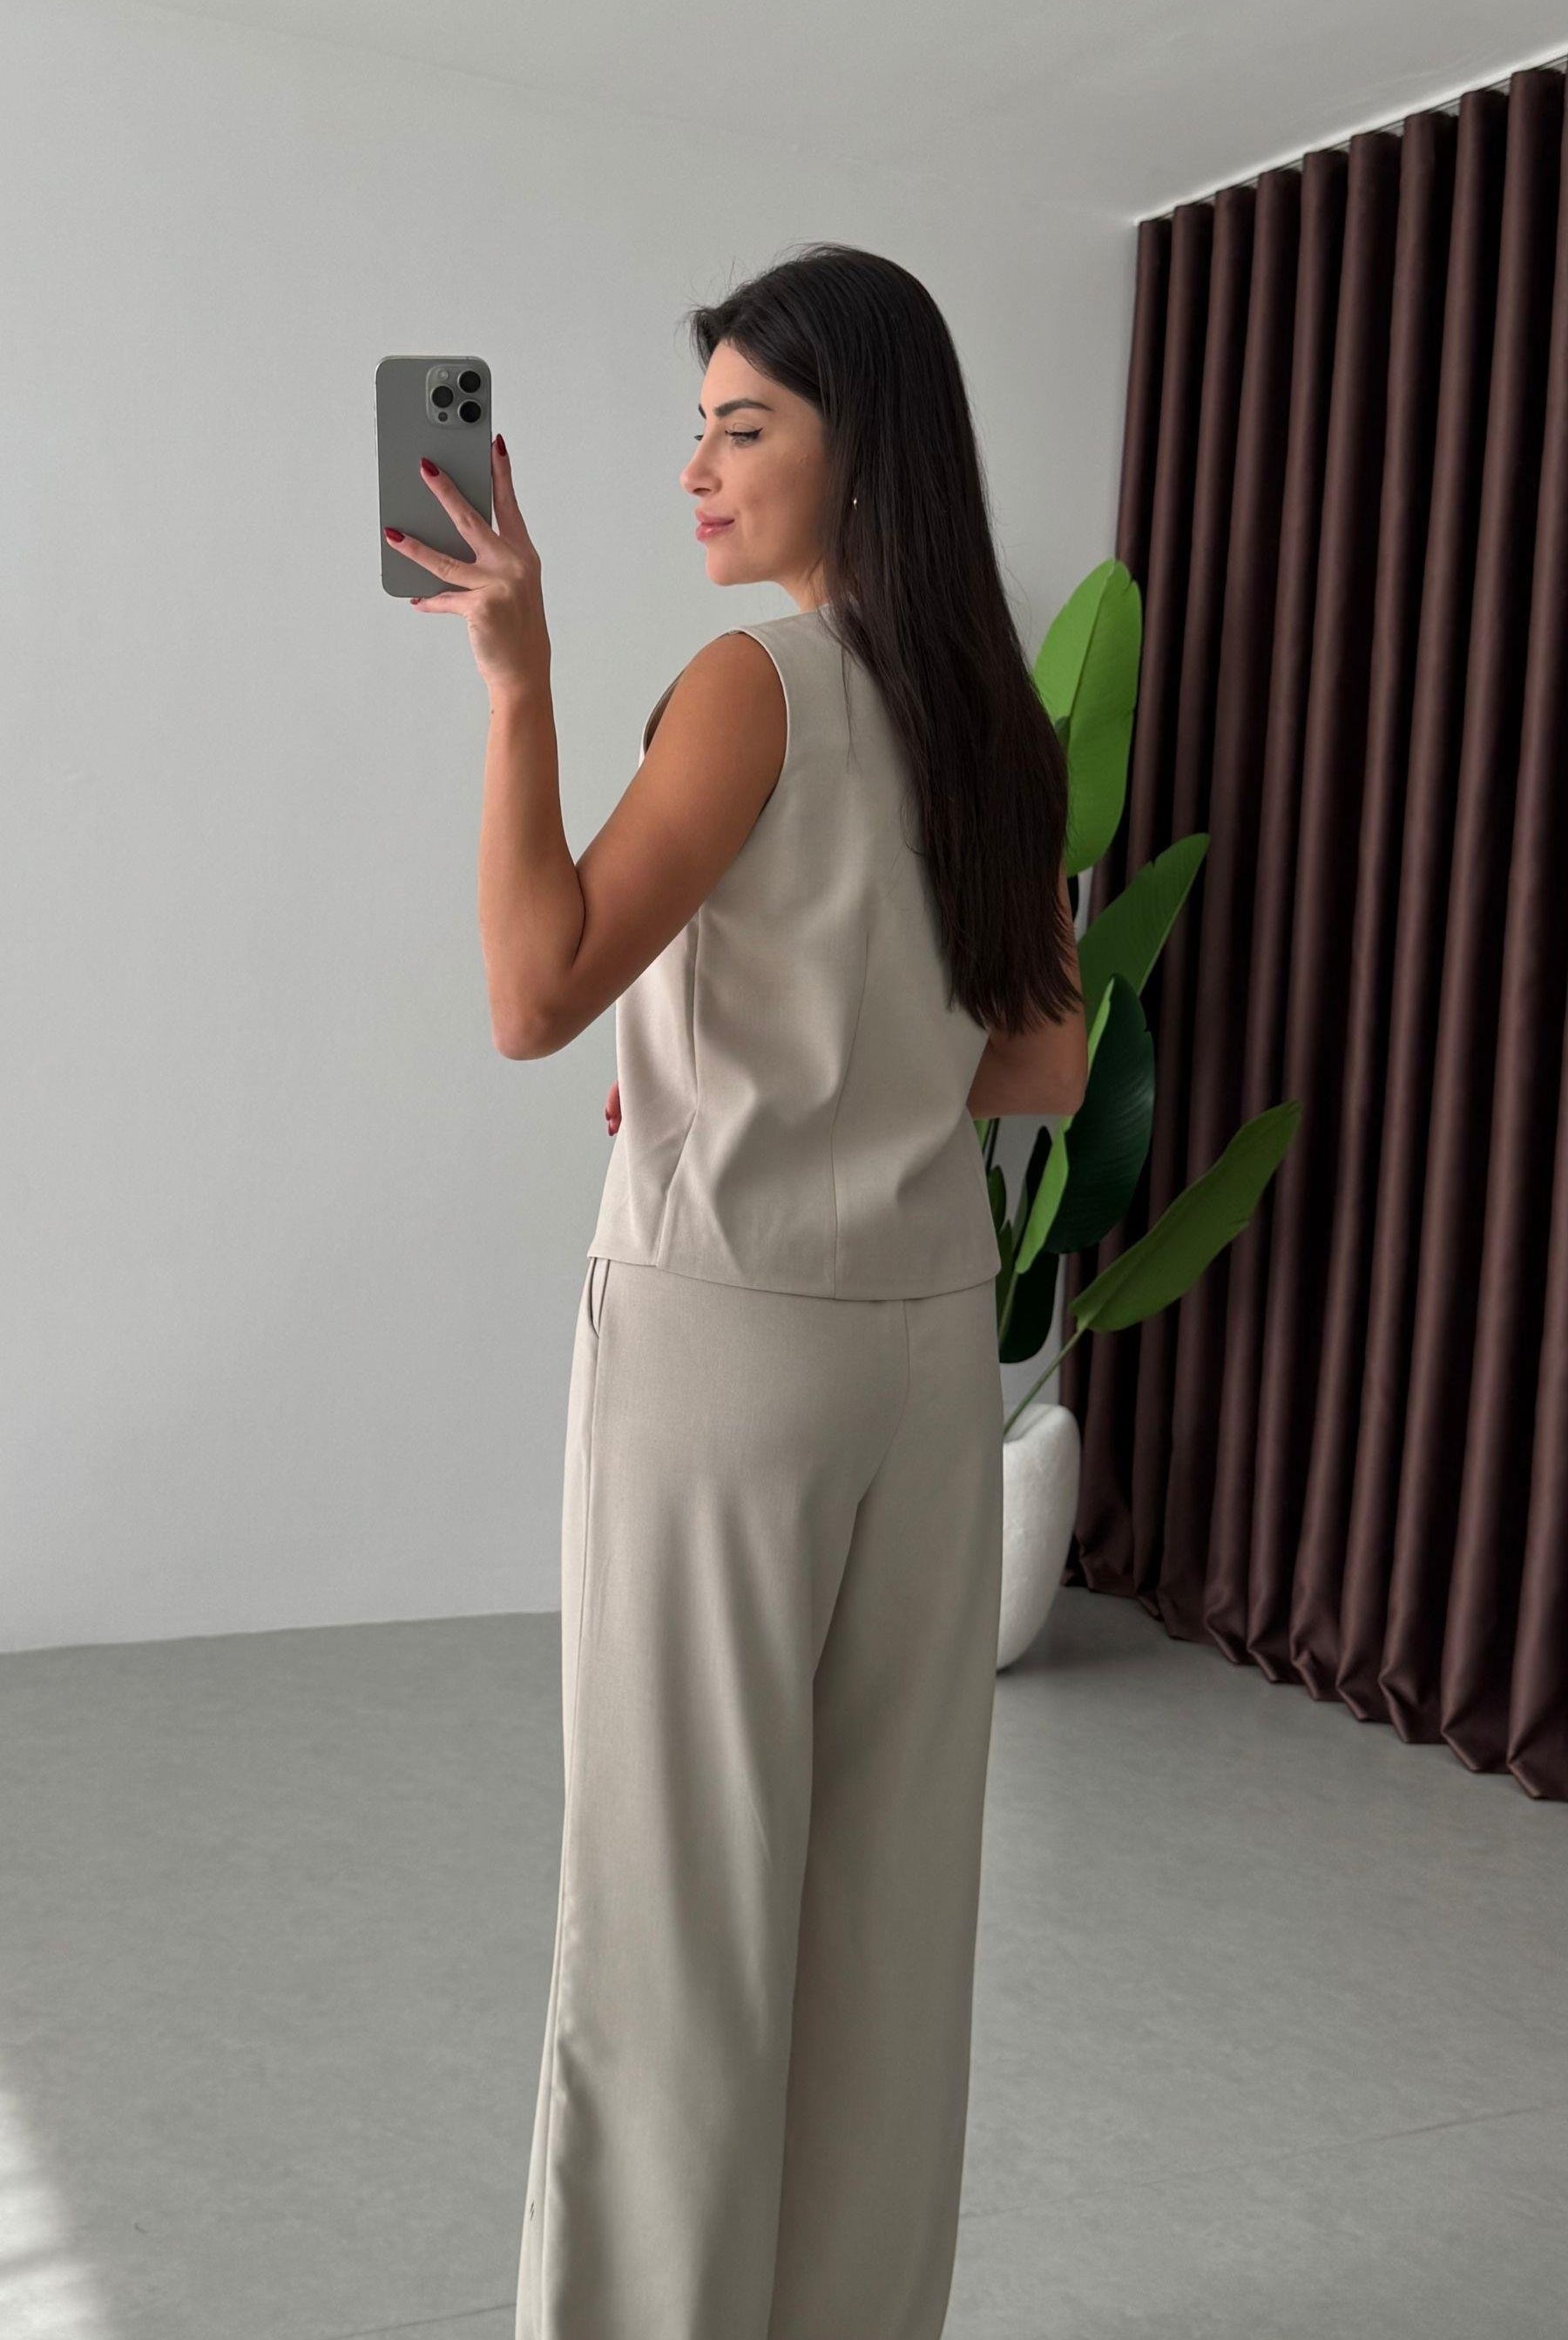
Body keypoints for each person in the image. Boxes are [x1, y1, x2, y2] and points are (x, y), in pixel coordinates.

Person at [389, 239, 1086, 2340]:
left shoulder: (754, 684)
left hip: (721, 1348)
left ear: (864, 447)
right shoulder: (991, 717)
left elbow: (535, 991)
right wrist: (817, 1052)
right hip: (926, 1357)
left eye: (743, 427)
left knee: (675, 1925)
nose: (696, 469)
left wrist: (517, 680)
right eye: (695, 428)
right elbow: (1040, 1061)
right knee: (888, 1924)